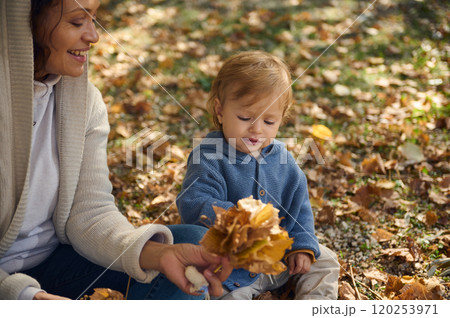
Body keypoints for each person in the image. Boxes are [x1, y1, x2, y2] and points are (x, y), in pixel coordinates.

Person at [0, 0, 231, 300]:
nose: (93, 36)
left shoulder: (86, 102)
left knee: (191, 242)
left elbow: (90, 212)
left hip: (57, 263)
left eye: (93, 19)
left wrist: (158, 254)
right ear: (24, 22)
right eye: (76, 22)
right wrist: (26, 297)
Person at [177, 51, 340, 299]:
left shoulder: (284, 161)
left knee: (326, 260)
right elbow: (194, 202)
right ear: (220, 111)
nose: (256, 128)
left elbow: (299, 209)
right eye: (245, 117)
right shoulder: (209, 157)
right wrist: (242, 223)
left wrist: (302, 247)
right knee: (225, 299)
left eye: (269, 121)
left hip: (279, 257)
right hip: (233, 269)